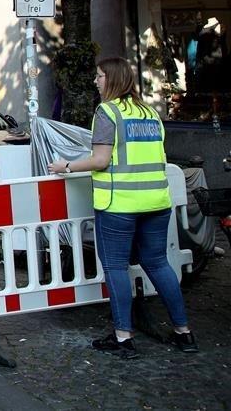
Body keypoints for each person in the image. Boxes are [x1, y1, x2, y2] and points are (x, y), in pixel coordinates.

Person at [48, 57, 196, 359]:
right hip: (156, 202)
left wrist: (67, 166)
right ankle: (184, 333)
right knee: (158, 263)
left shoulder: (108, 112)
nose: (96, 81)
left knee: (115, 267)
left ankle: (123, 338)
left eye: (100, 76)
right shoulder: (150, 114)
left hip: (119, 204)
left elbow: (101, 160)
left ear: (112, 79)